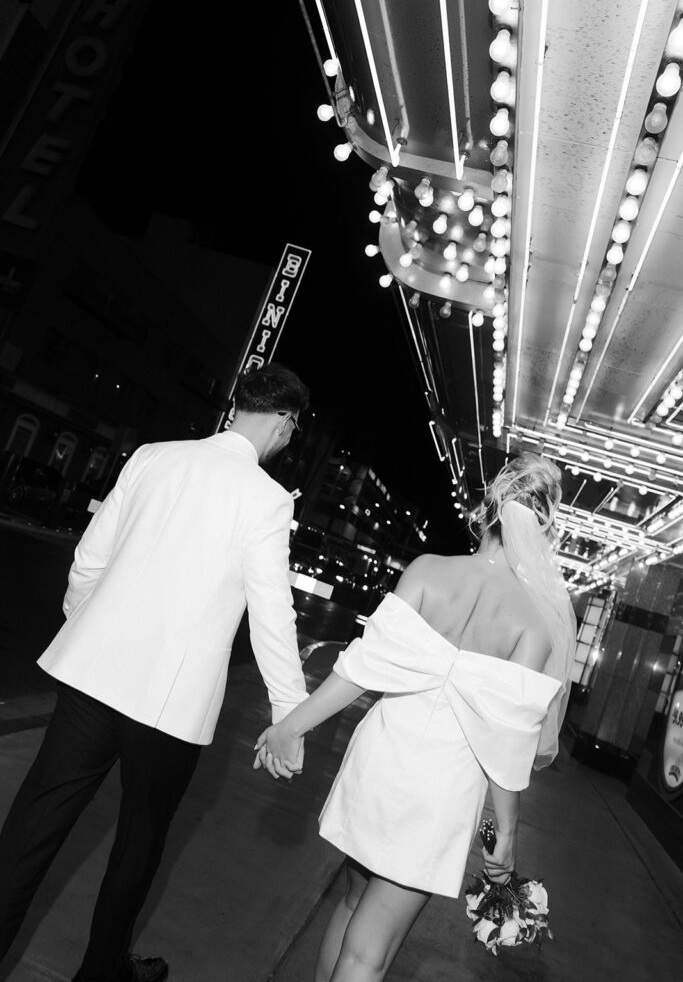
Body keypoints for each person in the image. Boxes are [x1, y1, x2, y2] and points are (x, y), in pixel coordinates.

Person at [0, 362, 311, 982]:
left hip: (92, 678)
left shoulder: (153, 456)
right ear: (283, 422)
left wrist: (88, 627)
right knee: (138, 847)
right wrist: (289, 715)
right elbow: (271, 614)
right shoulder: (267, 499)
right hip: (169, 705)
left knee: (32, 827)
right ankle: (99, 974)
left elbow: (90, 560)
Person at [255, 452, 577, 982]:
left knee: (350, 904)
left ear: (488, 505)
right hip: (443, 790)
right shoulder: (534, 626)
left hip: (382, 759)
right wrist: (508, 836)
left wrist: (292, 725)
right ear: (544, 527)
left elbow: (360, 668)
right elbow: (507, 745)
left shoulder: (428, 570)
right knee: (371, 950)